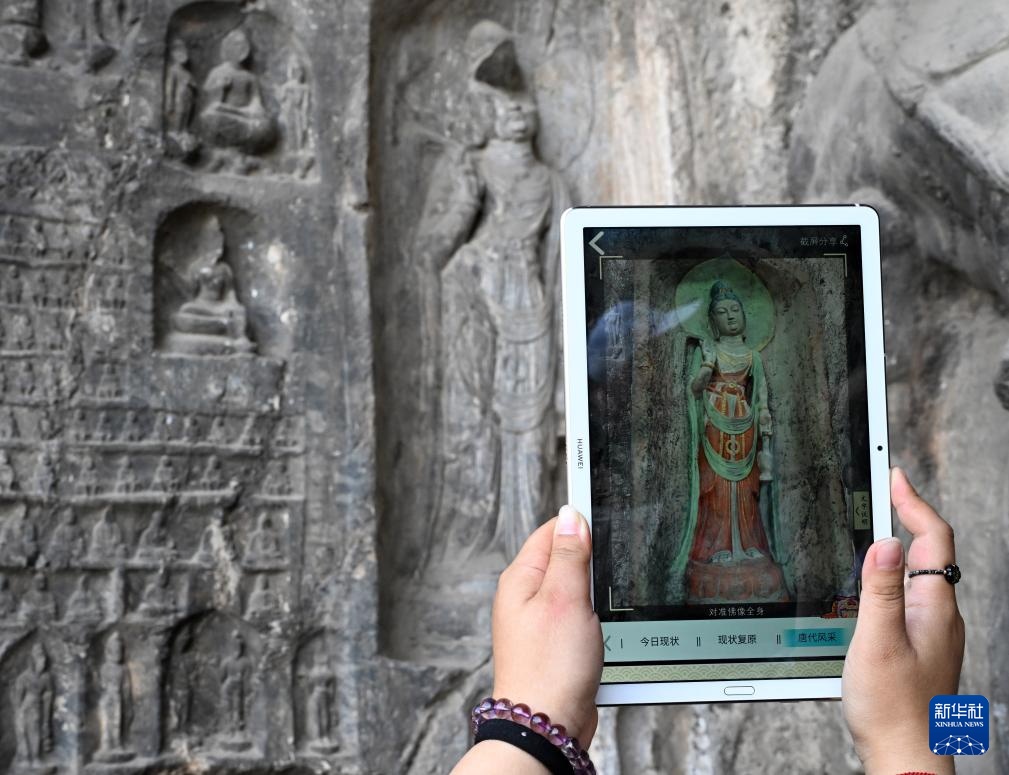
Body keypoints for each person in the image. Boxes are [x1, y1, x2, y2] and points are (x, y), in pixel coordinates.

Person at [451, 467, 965, 774]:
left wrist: (527, 719)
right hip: (716, 451)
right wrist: (922, 733)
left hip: (742, 457)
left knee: (747, 516)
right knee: (719, 508)